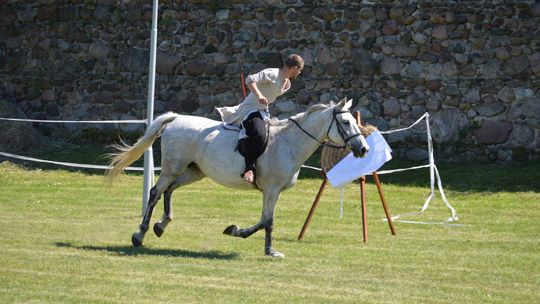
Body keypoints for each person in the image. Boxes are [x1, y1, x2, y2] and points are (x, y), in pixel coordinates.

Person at [217, 54, 304, 183]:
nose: (300, 72)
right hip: (249, 110)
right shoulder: (273, 73)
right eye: (300, 69)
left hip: (264, 112)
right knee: (259, 134)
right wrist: (259, 95)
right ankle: (249, 168)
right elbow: (249, 80)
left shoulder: (287, 84)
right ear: (294, 68)